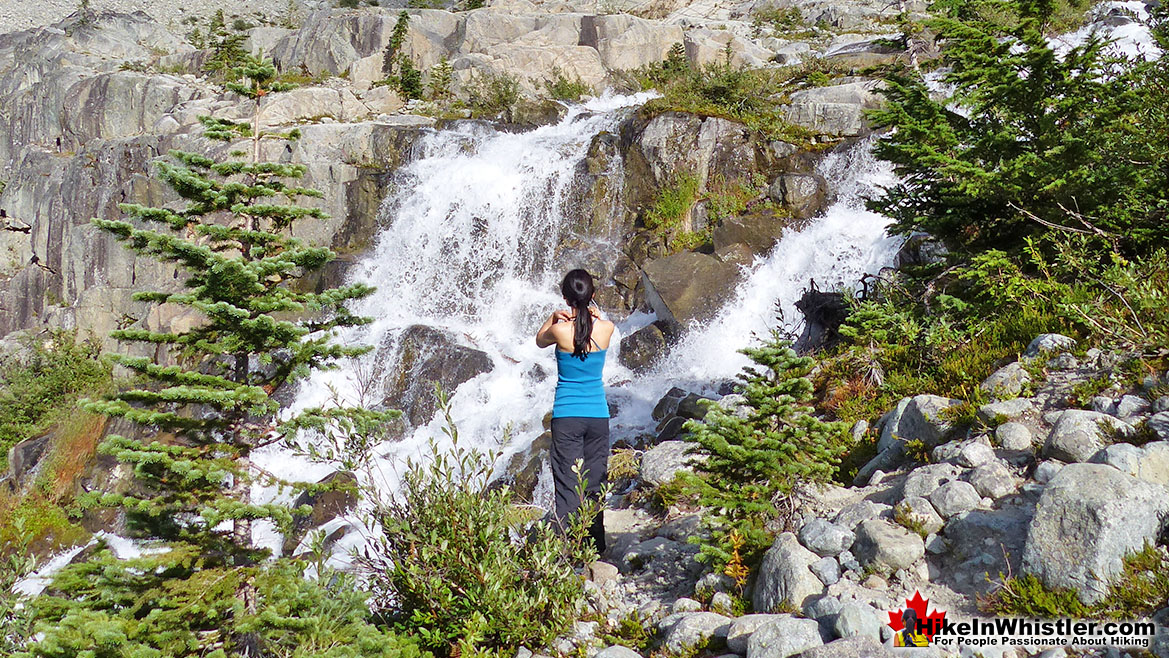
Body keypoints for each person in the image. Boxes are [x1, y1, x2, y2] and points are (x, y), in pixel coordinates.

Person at [535, 269, 615, 554]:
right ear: (592, 295)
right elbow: (596, 321)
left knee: (568, 482)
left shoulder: (559, 330)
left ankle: (569, 547)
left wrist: (555, 317)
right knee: (595, 480)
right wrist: (590, 312)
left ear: (565, 298)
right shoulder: (607, 328)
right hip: (597, 416)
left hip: (567, 416)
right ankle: (595, 547)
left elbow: (539, 339)